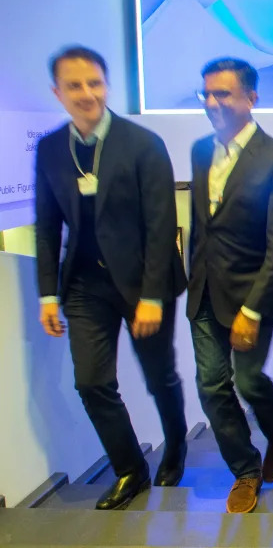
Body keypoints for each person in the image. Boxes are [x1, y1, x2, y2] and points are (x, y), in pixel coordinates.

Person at [34, 46, 188, 510]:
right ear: (57, 93)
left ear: (106, 86)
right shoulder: (49, 149)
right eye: (75, 85)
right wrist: (46, 293)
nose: (87, 94)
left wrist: (153, 296)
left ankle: (176, 443)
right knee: (91, 382)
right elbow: (46, 227)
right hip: (84, 286)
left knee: (159, 376)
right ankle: (129, 468)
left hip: (144, 285)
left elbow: (162, 225)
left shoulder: (142, 143)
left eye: (95, 83)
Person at [187, 58, 273, 513]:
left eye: (223, 94)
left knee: (250, 379)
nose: (212, 103)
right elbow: (201, 228)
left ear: (251, 99)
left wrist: (253, 309)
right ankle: (245, 471)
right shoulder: (199, 152)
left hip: (252, 295)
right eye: (207, 95)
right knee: (211, 386)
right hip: (202, 293)